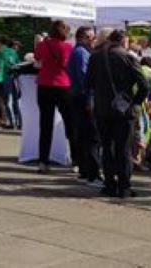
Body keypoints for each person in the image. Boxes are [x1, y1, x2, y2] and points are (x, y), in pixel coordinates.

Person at [86, 29, 150, 199]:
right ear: (123, 41)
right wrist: (134, 102)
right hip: (123, 111)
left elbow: (89, 83)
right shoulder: (129, 58)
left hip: (102, 109)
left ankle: (109, 184)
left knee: (106, 147)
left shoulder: (95, 57)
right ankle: (124, 186)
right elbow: (144, 86)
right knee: (123, 148)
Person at [33, 19, 75, 173]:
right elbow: (67, 63)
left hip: (44, 85)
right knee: (70, 123)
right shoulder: (68, 47)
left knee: (45, 125)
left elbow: (37, 57)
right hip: (63, 86)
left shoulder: (43, 45)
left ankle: (43, 162)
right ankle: (76, 160)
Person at [67, 25, 100, 185]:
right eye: (92, 38)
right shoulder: (81, 53)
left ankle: (85, 169)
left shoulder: (80, 52)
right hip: (82, 98)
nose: (94, 41)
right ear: (84, 37)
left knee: (84, 136)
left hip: (78, 96)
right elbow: (84, 79)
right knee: (90, 136)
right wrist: (90, 100)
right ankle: (91, 172)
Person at [0, 37, 21, 129]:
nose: (18, 48)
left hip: (5, 78)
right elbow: (19, 65)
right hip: (15, 78)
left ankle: (11, 122)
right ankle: (19, 123)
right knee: (16, 101)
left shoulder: (0, 51)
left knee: (7, 101)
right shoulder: (14, 53)